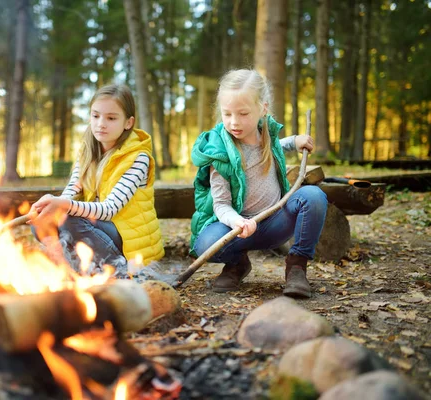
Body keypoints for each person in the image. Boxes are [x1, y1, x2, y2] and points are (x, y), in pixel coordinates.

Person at [190, 69, 328, 298]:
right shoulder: (220, 153)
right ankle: (237, 264)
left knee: (313, 197)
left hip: (275, 221)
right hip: (236, 228)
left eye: (243, 113)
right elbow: (221, 204)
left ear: (262, 109)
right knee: (204, 244)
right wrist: (237, 222)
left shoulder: (267, 135)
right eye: (227, 114)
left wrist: (295, 141)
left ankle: (296, 266)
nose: (234, 122)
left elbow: (274, 146)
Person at [28, 83, 164, 273]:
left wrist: (63, 206)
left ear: (128, 122)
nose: (101, 123)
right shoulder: (87, 151)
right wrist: (52, 205)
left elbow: (108, 210)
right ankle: (70, 267)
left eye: (111, 118)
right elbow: (71, 192)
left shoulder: (139, 158)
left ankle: (117, 270)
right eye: (96, 115)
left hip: (127, 243)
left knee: (70, 219)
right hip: (99, 231)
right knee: (43, 220)